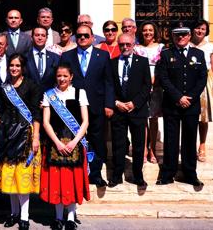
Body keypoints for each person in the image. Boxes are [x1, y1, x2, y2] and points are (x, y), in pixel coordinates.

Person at [60, 24, 114, 187]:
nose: (82, 38)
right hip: (74, 107)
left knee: (97, 140)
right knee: (75, 140)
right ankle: (77, 172)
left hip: (97, 106)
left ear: (92, 37)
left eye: (85, 35)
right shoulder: (67, 56)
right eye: (79, 36)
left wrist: (109, 104)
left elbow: (109, 82)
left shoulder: (103, 55)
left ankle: (95, 174)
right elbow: (61, 81)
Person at [156, 22, 207, 187]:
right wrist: (178, 97)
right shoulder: (165, 54)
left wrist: (189, 97)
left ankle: (190, 173)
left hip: (191, 105)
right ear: (172, 36)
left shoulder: (198, 54)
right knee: (171, 140)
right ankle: (167, 174)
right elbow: (163, 78)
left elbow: (202, 79)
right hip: (172, 104)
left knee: (190, 140)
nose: (181, 37)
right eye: (177, 34)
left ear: (189, 35)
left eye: (184, 34)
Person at [40, 63, 90, 230]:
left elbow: (85, 121)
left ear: (71, 77)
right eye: (59, 76)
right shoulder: (49, 95)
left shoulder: (79, 93)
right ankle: (58, 217)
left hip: (75, 143)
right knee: (57, 181)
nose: (61, 78)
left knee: (71, 180)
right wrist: (58, 142)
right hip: (55, 144)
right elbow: (46, 122)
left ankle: (70, 217)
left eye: (65, 76)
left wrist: (75, 141)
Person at [0, 54, 42, 230]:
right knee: (10, 177)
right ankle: (13, 213)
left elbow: (36, 113)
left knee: (22, 177)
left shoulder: (32, 86)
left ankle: (24, 216)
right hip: (7, 134)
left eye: (17, 65)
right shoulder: (4, 88)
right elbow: (0, 113)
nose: (14, 68)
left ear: (23, 67)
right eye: (11, 65)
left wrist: (36, 137)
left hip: (25, 134)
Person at [108, 34, 151, 189]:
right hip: (118, 110)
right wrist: (116, 102)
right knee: (118, 144)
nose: (125, 47)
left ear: (133, 44)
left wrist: (135, 103)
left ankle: (138, 176)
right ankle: (117, 175)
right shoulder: (112, 63)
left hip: (137, 110)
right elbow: (109, 86)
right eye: (122, 45)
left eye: (128, 44)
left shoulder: (142, 62)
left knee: (138, 145)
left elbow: (147, 86)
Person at [134, 21, 164, 164]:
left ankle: (152, 149)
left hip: (156, 87)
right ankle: (144, 149)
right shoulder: (136, 49)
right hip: (141, 86)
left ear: (155, 32)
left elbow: (164, 67)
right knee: (142, 119)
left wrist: (155, 80)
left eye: (150, 30)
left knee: (153, 119)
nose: (147, 32)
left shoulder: (161, 48)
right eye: (145, 30)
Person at [190, 19, 213, 162]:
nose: (200, 31)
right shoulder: (186, 44)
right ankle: (189, 145)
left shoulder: (211, 47)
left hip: (205, 82)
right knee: (189, 116)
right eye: (198, 28)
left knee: (203, 117)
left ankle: (202, 145)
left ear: (206, 31)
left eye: (203, 29)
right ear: (193, 29)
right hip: (188, 82)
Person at [26, 26, 60, 91]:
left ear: (47, 38)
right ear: (31, 37)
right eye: (37, 35)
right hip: (29, 97)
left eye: (43, 35)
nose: (40, 38)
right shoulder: (25, 57)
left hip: (50, 97)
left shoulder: (56, 58)